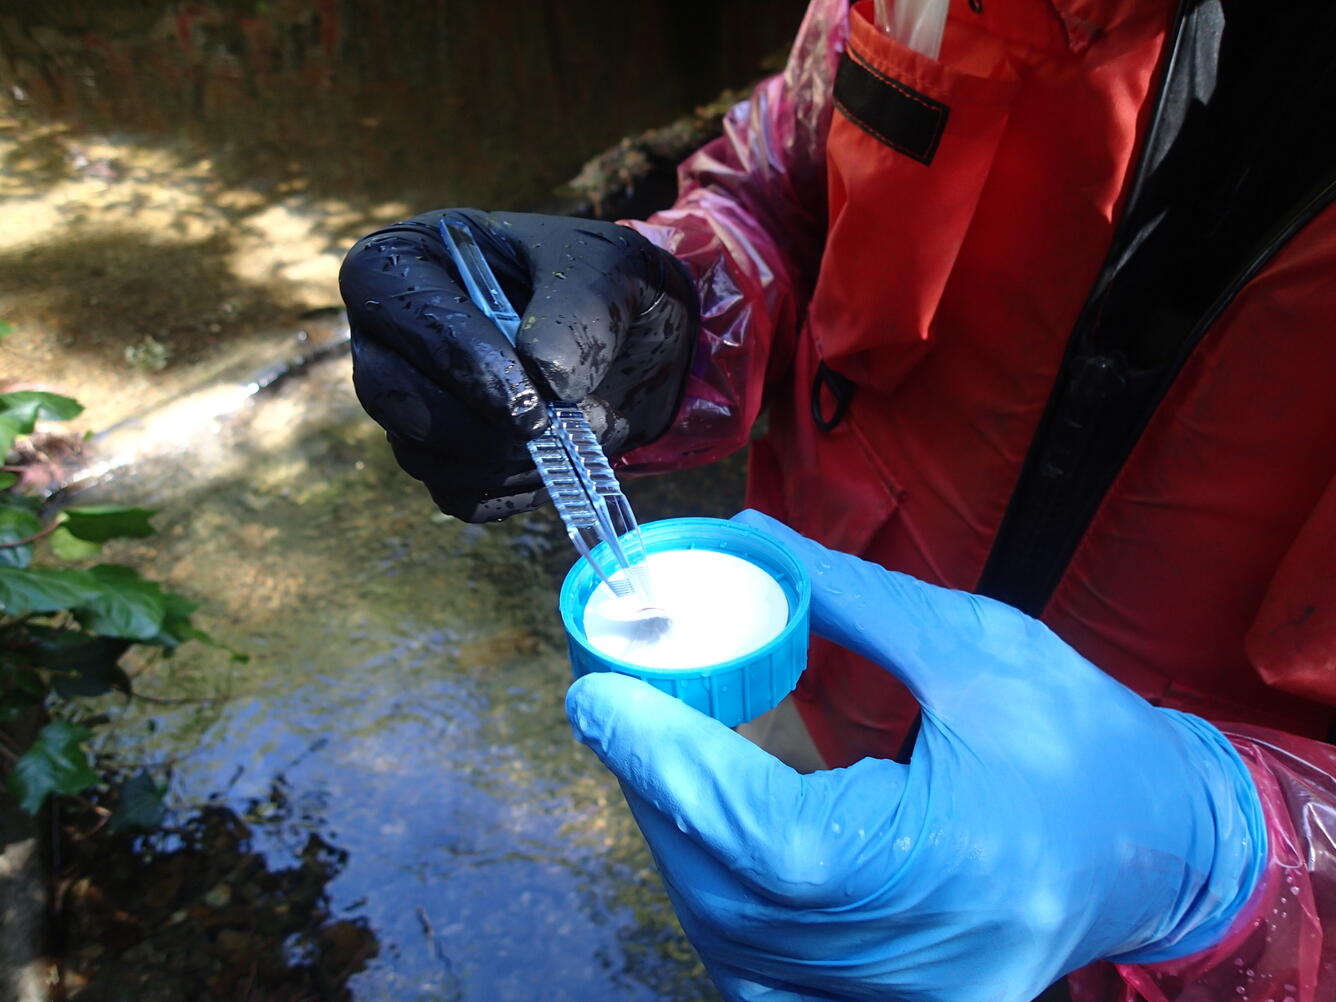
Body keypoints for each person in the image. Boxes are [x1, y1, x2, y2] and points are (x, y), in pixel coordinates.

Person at [340, 0, 1336, 998]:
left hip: (1164, 954)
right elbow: (787, 185)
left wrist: (1212, 863)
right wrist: (675, 312)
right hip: (801, 710)